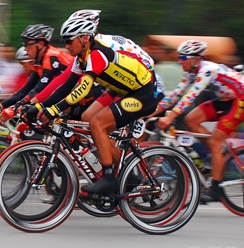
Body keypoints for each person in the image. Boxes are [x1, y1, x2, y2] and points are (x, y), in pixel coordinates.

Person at [29, 10, 160, 196]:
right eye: (64, 41)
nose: (65, 46)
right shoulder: (82, 57)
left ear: (83, 37)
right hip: (126, 88)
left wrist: (54, 110)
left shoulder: (97, 54)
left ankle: (108, 178)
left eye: (69, 40)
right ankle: (128, 174)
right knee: (95, 127)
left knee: (97, 123)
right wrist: (39, 106)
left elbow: (82, 90)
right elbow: (66, 86)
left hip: (143, 92)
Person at [152, 39, 244, 204]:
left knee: (214, 143)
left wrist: (170, 117)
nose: (180, 61)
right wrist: (150, 113)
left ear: (196, 59)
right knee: (190, 120)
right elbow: (175, 95)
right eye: (180, 57)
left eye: (183, 58)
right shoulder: (190, 71)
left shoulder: (207, 70)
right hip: (224, 100)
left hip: (239, 102)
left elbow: (190, 96)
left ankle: (216, 189)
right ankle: (217, 153)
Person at [0, 24, 75, 122]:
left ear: (40, 44)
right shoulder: (38, 62)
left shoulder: (51, 57)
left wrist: (17, 106)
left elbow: (40, 88)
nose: (25, 49)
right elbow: (25, 90)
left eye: (27, 44)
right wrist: (0, 106)